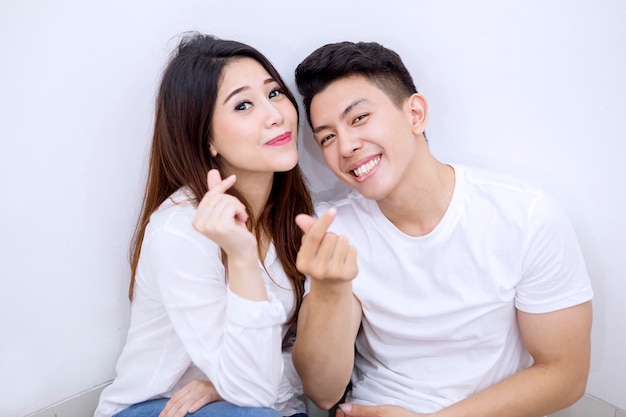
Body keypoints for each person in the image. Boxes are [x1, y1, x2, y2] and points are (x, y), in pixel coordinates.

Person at [291, 41, 593, 417]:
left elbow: (565, 375)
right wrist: (329, 290)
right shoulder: (334, 228)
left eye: (359, 118)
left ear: (415, 114)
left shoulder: (526, 216)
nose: (346, 146)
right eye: (327, 137)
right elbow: (322, 392)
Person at [94, 32, 312, 417]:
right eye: (244, 105)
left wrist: (222, 384)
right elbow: (254, 392)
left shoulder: (294, 215)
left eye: (274, 93)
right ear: (207, 138)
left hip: (255, 407)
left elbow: (292, 361)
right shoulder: (180, 231)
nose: (276, 114)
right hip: (158, 407)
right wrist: (241, 257)